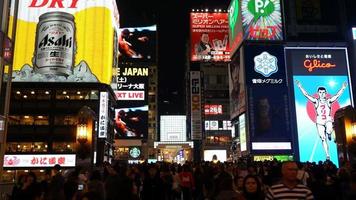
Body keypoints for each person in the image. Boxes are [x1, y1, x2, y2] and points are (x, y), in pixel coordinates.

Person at [295, 80, 347, 160]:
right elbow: (306, 95)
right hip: (319, 122)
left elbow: (337, 95)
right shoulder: (316, 101)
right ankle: (327, 155)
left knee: (329, 129)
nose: (322, 94)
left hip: (328, 120)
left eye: (323, 92)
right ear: (318, 93)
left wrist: (343, 88)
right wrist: (300, 86)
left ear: (325, 93)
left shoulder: (328, 101)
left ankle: (329, 133)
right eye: (320, 92)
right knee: (323, 138)